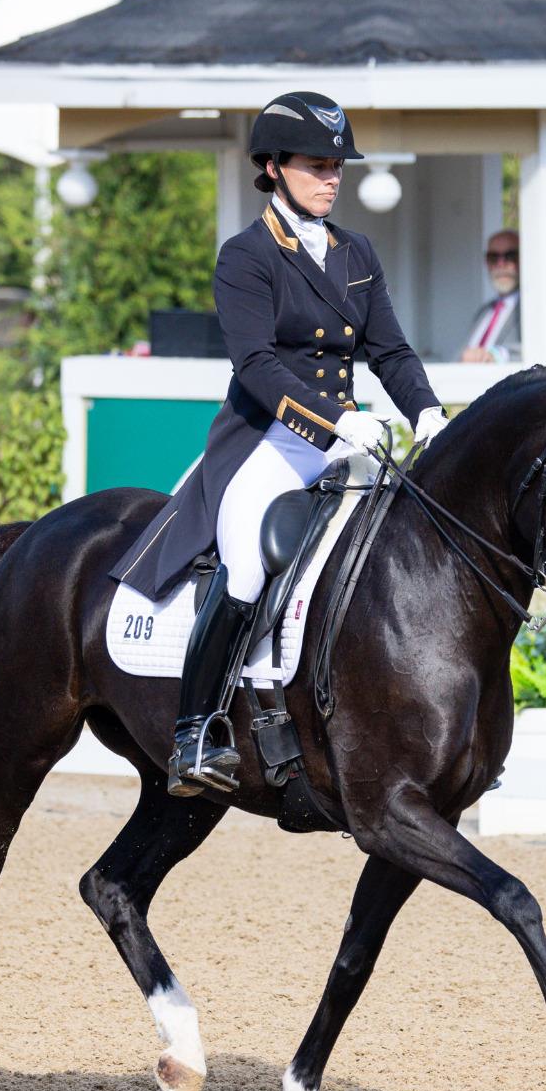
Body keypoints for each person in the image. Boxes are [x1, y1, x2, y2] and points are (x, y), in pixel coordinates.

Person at [108, 91, 451, 796]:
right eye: (317, 165)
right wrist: (335, 420)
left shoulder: (356, 253)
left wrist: (428, 413)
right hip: (267, 441)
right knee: (242, 568)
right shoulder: (247, 256)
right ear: (273, 166)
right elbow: (257, 366)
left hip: (342, 439)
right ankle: (194, 733)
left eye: (338, 167)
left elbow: (389, 350)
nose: (332, 177)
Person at [460, 230, 521, 364]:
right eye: (493, 257)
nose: (501, 264)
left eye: (510, 256)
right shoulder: (484, 312)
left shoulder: (531, 307)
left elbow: (538, 348)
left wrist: (495, 355)